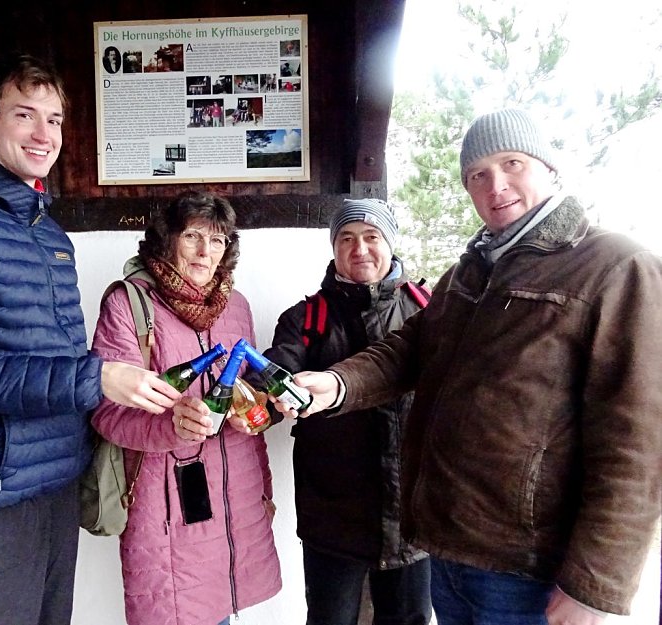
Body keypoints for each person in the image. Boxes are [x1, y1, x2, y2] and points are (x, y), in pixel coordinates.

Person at [278, 109, 662, 625]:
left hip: (528, 570)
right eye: (477, 175)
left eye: (512, 164)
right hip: (447, 550)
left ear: (548, 167)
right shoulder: (467, 273)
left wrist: (595, 584)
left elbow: (639, 439)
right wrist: (337, 383)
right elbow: (408, 350)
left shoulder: (615, 266)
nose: (495, 185)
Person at [0, 53, 179, 625]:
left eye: (56, 119)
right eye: (25, 115)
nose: (45, 134)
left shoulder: (47, 233)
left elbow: (55, 358)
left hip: (54, 480)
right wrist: (98, 377)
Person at [90, 191, 281, 625]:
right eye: (193, 235)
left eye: (217, 240)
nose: (204, 251)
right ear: (167, 238)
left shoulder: (237, 306)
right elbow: (106, 412)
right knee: (180, 611)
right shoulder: (130, 303)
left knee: (219, 612)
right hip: (168, 502)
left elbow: (250, 399)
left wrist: (259, 418)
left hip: (236, 498)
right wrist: (172, 425)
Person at [259, 198, 432, 625]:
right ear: (333, 247)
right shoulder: (307, 318)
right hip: (332, 517)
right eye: (347, 239)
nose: (360, 249)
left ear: (390, 243)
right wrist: (266, 398)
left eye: (372, 237)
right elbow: (275, 373)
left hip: (413, 517)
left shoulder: (429, 311)